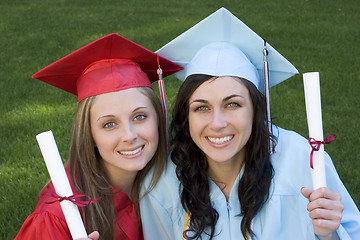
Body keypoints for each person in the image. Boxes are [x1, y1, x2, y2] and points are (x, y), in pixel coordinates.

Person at [139, 8, 360, 240]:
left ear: (255, 110)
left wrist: (329, 235)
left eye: (233, 104)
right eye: (201, 107)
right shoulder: (162, 183)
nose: (217, 123)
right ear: (186, 115)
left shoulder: (302, 159)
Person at [14, 33, 182, 240]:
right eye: (109, 124)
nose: (129, 135)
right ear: (89, 134)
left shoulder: (173, 182)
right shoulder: (58, 216)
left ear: (158, 118)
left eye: (140, 116)